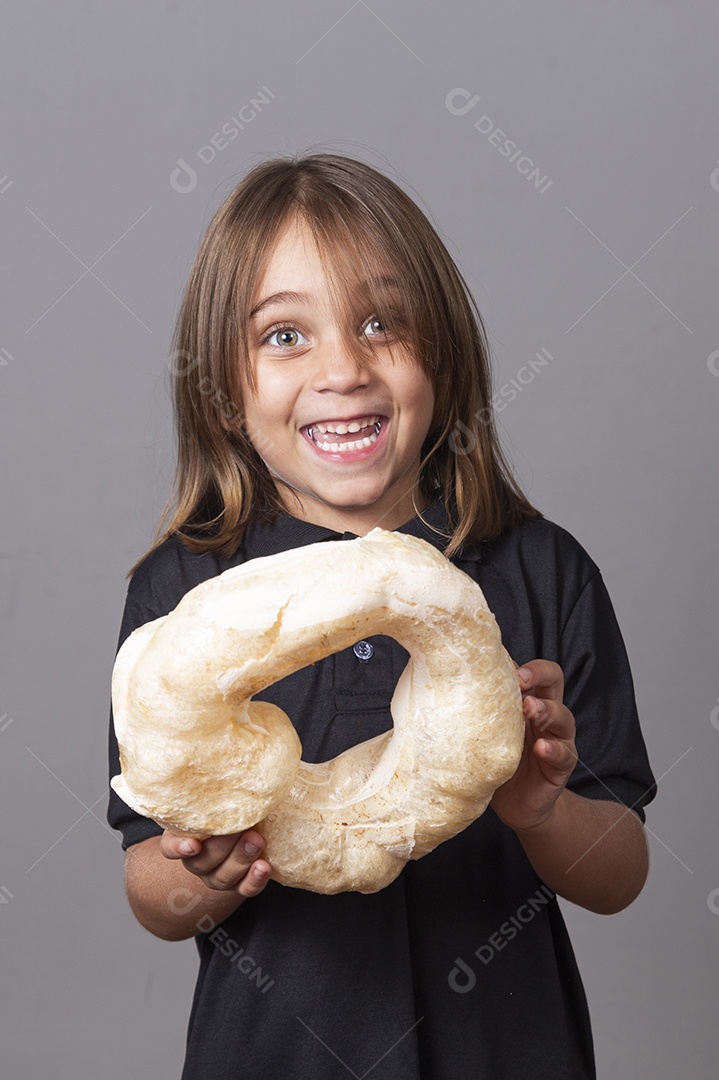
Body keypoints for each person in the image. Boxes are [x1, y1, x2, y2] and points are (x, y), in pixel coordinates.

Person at [107, 153, 656, 1080]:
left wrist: (541, 810)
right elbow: (151, 892)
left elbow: (620, 874)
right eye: (285, 335)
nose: (343, 369)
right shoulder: (186, 592)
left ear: (441, 351)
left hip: (505, 1052)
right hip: (272, 1057)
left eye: (379, 323)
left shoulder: (538, 569)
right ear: (223, 392)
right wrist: (206, 872)